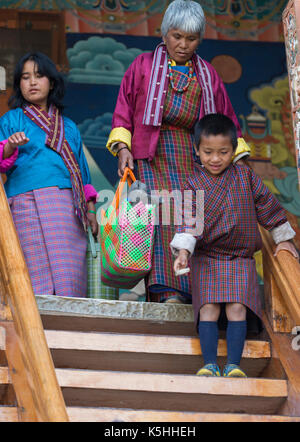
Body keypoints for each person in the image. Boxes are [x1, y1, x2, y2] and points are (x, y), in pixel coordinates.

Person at [106, 0, 251, 304]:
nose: (183, 45)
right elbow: (123, 113)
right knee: (149, 216)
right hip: (150, 154)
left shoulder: (208, 75)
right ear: (164, 34)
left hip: (189, 158)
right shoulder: (142, 66)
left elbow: (226, 123)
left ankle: (177, 291)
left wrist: (240, 165)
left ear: (200, 39)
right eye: (177, 36)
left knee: (182, 220)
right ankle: (140, 286)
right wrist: (123, 147)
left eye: (191, 38)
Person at [170, 113, 298, 377]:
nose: (215, 159)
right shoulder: (192, 184)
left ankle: (233, 365)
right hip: (207, 258)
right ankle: (209, 364)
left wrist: (284, 241)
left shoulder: (245, 177)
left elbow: (267, 207)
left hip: (240, 258)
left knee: (237, 307)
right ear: (197, 150)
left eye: (223, 152)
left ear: (234, 150)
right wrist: (183, 251)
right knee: (208, 308)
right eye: (208, 152)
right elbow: (188, 221)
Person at [0, 51, 98, 298]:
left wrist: (91, 212)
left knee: (68, 275)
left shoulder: (70, 127)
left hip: (67, 208)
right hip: (24, 204)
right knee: (32, 275)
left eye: (39, 75)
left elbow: (84, 176)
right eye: (25, 77)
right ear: (18, 85)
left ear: (52, 82)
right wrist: (10, 145)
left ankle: (65, 331)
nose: (32, 82)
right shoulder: (12, 119)